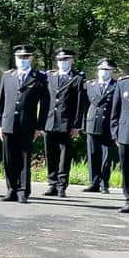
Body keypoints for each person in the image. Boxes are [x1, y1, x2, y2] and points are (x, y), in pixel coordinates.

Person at [0, 44, 50, 203]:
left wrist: (39, 127)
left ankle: (23, 191)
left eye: (26, 57)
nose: (22, 60)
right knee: (9, 159)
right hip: (8, 123)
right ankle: (11, 189)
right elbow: (1, 103)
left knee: (24, 158)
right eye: (20, 57)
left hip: (28, 125)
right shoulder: (8, 76)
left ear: (31, 58)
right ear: (15, 59)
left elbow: (45, 105)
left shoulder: (40, 78)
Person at [42, 48, 85, 197]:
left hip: (66, 123)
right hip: (50, 121)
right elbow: (44, 101)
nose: (63, 63)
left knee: (64, 156)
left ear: (71, 61)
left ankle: (62, 185)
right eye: (60, 60)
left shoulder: (77, 79)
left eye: (66, 60)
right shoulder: (49, 77)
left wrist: (77, 125)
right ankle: (52, 183)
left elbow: (80, 104)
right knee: (51, 154)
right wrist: (41, 122)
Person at [80, 58, 118, 193]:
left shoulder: (116, 85)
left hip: (107, 124)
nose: (104, 72)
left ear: (112, 71)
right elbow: (85, 106)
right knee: (92, 154)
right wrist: (83, 124)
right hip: (92, 123)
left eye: (107, 70)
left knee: (106, 157)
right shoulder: (90, 85)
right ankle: (94, 182)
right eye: (101, 69)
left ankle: (104, 183)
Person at [110, 47, 129, 214]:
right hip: (126, 132)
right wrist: (115, 133)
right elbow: (115, 111)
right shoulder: (123, 83)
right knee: (127, 169)